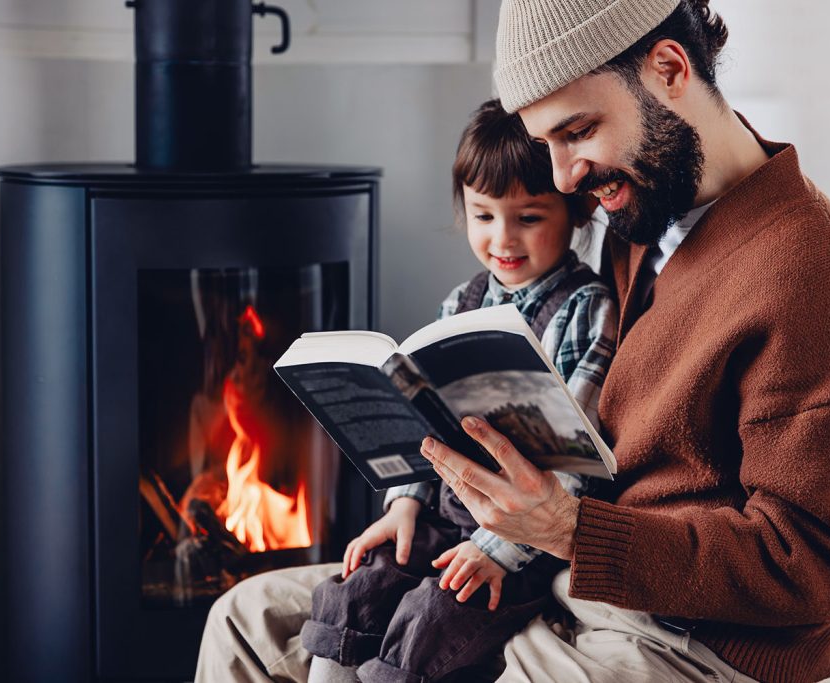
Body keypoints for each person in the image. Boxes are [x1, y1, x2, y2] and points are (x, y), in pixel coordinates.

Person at [415, 1, 830, 682]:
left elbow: (806, 566)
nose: (565, 174)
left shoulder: (812, 277)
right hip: (568, 589)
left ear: (667, 68)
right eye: (548, 143)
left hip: (687, 646)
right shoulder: (649, 213)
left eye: (579, 130)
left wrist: (566, 528)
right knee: (250, 619)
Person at [194, 99, 618, 683]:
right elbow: (424, 424)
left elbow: (576, 461)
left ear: (574, 215)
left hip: (523, 542)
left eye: (529, 217)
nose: (504, 239)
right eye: (483, 215)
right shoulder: (461, 303)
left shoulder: (585, 310)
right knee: (360, 583)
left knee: (429, 617)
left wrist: (495, 552)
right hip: (446, 517)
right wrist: (405, 505)